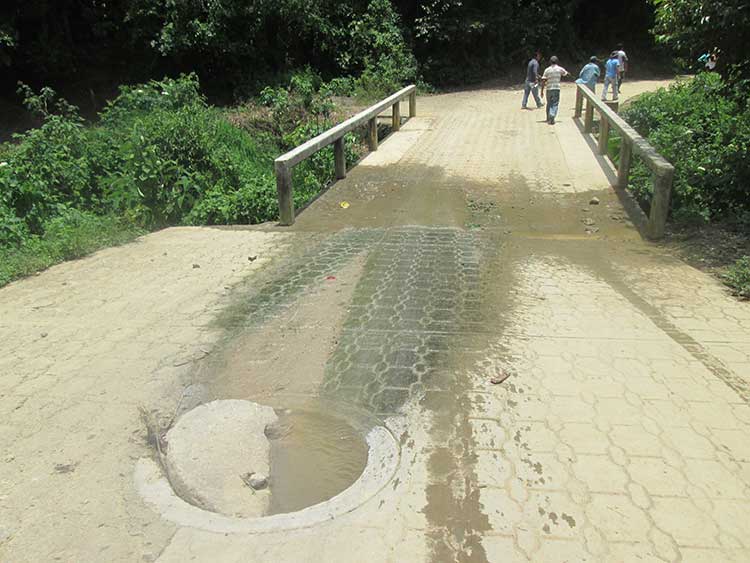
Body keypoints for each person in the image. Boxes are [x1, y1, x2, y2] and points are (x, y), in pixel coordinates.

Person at [540, 56, 568, 125]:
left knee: (549, 103)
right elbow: (565, 74)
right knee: (555, 103)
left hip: (549, 88)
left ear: (550, 62)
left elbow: (543, 81)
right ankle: (552, 115)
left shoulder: (547, 70)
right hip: (556, 88)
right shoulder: (559, 69)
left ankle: (548, 117)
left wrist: (542, 91)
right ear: (557, 61)